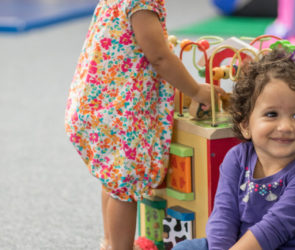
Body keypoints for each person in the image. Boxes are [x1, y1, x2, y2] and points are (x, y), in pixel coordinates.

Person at [64, 1, 224, 250]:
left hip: (97, 105)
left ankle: (109, 242)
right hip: (117, 112)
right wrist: (195, 90)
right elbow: (159, 58)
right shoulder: (143, 3)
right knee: (125, 190)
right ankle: (120, 246)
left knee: (114, 179)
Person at [173, 48, 295, 250]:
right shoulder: (237, 158)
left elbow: (269, 233)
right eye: (272, 114)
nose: (285, 127)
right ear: (246, 124)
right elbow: (224, 216)